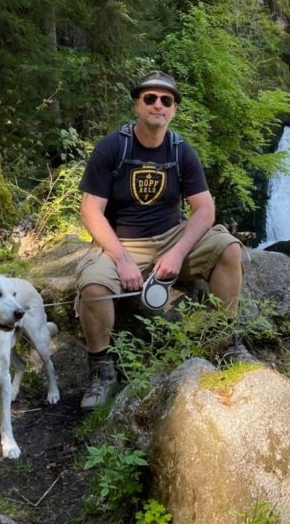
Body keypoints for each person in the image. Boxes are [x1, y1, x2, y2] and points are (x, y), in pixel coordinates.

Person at [74, 71, 249, 411]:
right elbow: (91, 211)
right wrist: (121, 258)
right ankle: (101, 371)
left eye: (166, 100)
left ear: (174, 110)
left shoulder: (182, 152)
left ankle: (227, 341)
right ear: (137, 103)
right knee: (93, 287)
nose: (158, 105)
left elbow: (204, 209)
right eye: (150, 98)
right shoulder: (113, 148)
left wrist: (177, 252)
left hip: (172, 237)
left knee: (228, 248)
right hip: (122, 240)